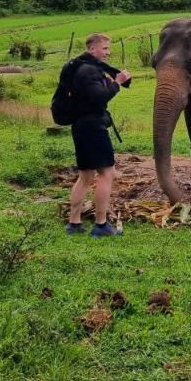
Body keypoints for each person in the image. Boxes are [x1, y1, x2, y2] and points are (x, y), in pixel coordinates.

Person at [66, 32, 131, 238]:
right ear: (91, 49)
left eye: (108, 48)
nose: (108, 52)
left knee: (85, 176)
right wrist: (117, 83)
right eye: (104, 48)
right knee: (107, 173)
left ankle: (74, 223)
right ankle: (101, 225)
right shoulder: (88, 71)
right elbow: (98, 97)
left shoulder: (79, 67)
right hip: (93, 126)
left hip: (80, 125)